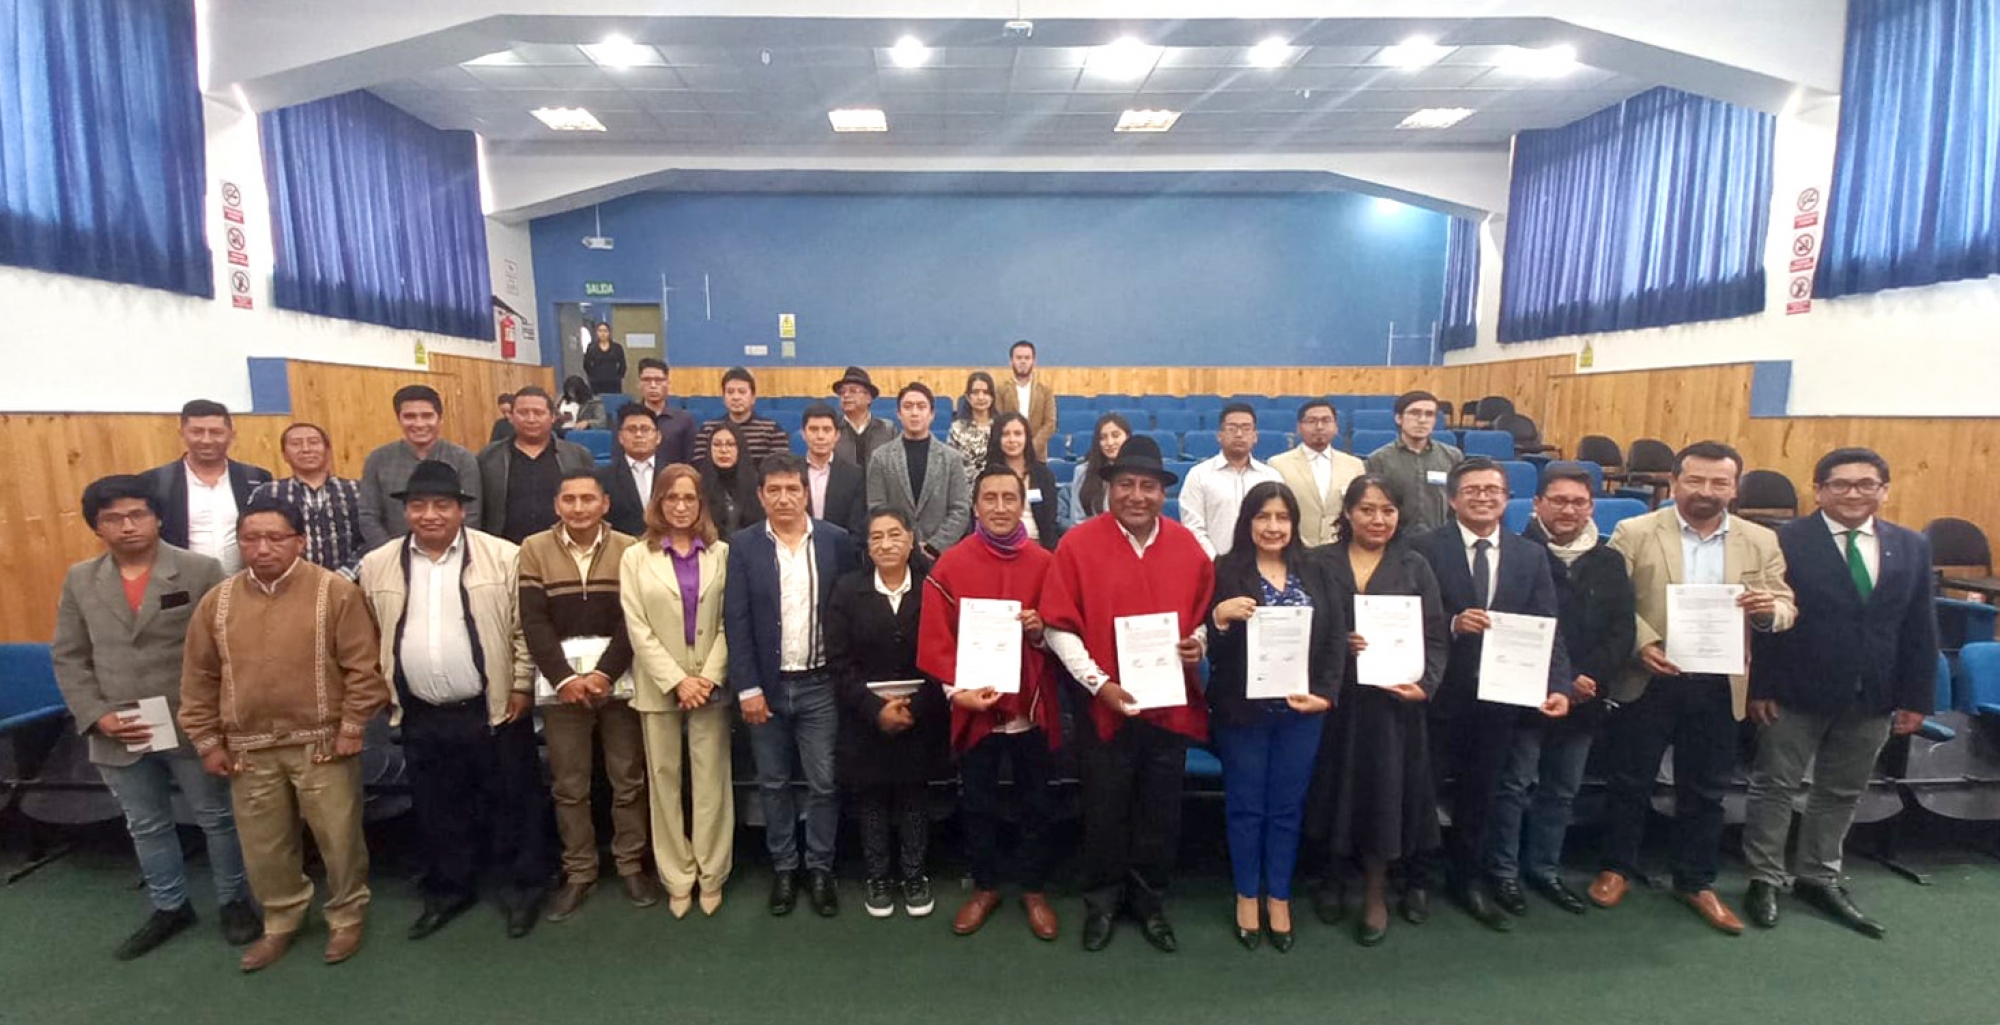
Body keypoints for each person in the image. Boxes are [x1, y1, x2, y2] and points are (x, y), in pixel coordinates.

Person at [1590, 441, 1796, 935]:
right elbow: (1611, 602)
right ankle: (1616, 868)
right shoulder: (1635, 531)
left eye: (1719, 482)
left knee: (1706, 789)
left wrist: (1768, 613)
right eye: (1696, 480)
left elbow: (1786, 604)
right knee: (1630, 781)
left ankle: (1696, 880)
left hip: (1720, 683)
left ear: (1735, 488)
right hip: (1649, 676)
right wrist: (1642, 643)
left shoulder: (1760, 540)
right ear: (1674, 482)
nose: (1707, 491)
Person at [180, 494, 391, 972]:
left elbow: (364, 667)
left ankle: (346, 915)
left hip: (324, 743)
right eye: (251, 539)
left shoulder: (335, 592)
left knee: (339, 838)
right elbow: (198, 677)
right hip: (248, 748)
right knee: (264, 845)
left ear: (301, 541)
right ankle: (280, 920)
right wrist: (207, 741)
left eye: (275, 538)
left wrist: (352, 726)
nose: (262, 549)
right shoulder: (218, 602)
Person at [51, 475, 254, 961]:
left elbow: (229, 648)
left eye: (137, 514)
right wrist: (97, 715)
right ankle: (170, 906)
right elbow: (69, 655)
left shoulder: (199, 570)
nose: (127, 526)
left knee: (218, 819)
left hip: (192, 721)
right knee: (145, 824)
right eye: (113, 519)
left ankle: (234, 902)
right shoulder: (81, 579)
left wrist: (216, 719)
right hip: (118, 726)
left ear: (158, 517)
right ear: (97, 527)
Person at [1741, 448, 1937, 938]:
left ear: (1884, 491)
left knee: (1842, 790)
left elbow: (1919, 625)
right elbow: (1766, 618)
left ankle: (1818, 876)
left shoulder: (1911, 545)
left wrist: (1916, 696)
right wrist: (1760, 686)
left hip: (1874, 692)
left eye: (1866, 484)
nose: (1853, 493)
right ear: (1819, 490)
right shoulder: (1786, 540)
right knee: (1774, 786)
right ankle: (1764, 877)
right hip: (1794, 689)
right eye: (1841, 484)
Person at [356, 461, 552, 941]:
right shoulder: (377, 564)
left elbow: (523, 628)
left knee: (513, 801)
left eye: (442, 505)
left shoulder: (503, 556)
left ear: (462, 510)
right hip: (421, 710)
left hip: (494, 706)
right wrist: (381, 687)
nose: (430, 515)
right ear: (405, 511)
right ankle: (448, 890)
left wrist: (521, 685)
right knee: (437, 807)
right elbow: (369, 634)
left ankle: (522, 891)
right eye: (418, 505)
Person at [1041, 435, 1214, 954]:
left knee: (1161, 811)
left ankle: (1149, 902)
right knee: (1105, 808)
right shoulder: (1077, 545)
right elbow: (1057, 626)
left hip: (1168, 706)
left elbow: (1203, 616)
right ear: (1109, 488)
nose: (1137, 495)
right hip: (1104, 706)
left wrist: (1198, 643)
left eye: (1148, 486)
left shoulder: (1187, 547)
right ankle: (1102, 902)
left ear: (1163, 493)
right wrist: (1100, 684)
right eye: (1126, 484)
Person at [1412, 458, 1573, 933]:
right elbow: (1405, 615)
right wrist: (1452, 623)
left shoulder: (1530, 555)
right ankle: (1415, 878)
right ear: (1453, 498)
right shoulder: (1424, 548)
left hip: (1502, 697)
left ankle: (1467, 880)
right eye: (1473, 490)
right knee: (1423, 790)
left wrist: (1558, 685)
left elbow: (1548, 626)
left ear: (1507, 498)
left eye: (1493, 490)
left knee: (1480, 794)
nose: (1483, 497)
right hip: (1438, 693)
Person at [918, 465, 1064, 940]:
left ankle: (1033, 887)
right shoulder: (951, 565)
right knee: (978, 801)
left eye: (1009, 498)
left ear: (1022, 504)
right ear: (975, 506)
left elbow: (1066, 634)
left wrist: (1040, 631)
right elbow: (937, 637)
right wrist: (957, 693)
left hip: (1029, 707)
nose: (1000, 507)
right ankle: (985, 886)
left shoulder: (1046, 563)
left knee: (1037, 801)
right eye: (990, 498)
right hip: (974, 705)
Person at [1486, 463, 1634, 916]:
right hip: (1525, 690)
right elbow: (1510, 623)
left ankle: (1544, 869)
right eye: (1559, 501)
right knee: (1513, 786)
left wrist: (1587, 678)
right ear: (1537, 504)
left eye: (1579, 502)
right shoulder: (1516, 553)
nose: (1569, 510)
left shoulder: (1609, 561)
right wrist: (1556, 679)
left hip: (1585, 695)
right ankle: (1503, 871)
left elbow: (1622, 630)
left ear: (1592, 508)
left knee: (1561, 790)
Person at [1309, 475, 1449, 947]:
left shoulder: (1415, 565)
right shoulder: (1319, 562)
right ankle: (1331, 877)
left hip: (1393, 708)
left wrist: (1424, 685)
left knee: (1383, 795)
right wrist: (1335, 641)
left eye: (1387, 510)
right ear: (1348, 513)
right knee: (1333, 789)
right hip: (1335, 700)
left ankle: (1375, 891)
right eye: (1367, 509)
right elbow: (1302, 626)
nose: (1378, 519)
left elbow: (1435, 636)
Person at [724, 454, 862, 918]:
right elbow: (736, 620)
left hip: (821, 684)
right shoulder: (742, 546)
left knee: (824, 782)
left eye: (792, 489)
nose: (784, 498)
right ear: (760, 496)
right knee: (773, 782)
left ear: (806, 493)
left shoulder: (835, 540)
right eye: (774, 490)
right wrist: (747, 688)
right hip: (765, 686)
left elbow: (848, 611)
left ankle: (820, 867)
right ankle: (784, 867)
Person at [1205, 481, 1340, 952]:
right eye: (1263, 516)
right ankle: (1247, 894)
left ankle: (1278, 895)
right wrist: (1219, 618)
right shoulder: (1225, 570)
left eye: (1283, 517)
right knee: (1246, 806)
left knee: (1287, 807)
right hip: (1243, 712)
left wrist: (1326, 696)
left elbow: (1334, 639)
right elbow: (1210, 648)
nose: (1273, 526)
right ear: (1248, 522)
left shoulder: (1316, 569)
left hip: (1302, 712)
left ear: (1294, 524)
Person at [519, 472, 659, 922]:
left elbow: (634, 618)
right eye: (570, 500)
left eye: (587, 499)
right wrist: (564, 678)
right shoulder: (534, 549)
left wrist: (603, 673)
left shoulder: (630, 549)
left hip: (618, 681)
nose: (579, 508)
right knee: (569, 785)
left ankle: (631, 864)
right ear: (557, 505)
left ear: (605, 504)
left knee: (628, 777)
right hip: (561, 686)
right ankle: (579, 870)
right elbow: (533, 621)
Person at [622, 463, 736, 917]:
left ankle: (712, 873)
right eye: (672, 497)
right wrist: (676, 680)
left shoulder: (721, 553)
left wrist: (707, 676)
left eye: (689, 498)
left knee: (711, 781)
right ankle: (677, 875)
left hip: (709, 682)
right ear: (659, 503)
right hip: (660, 683)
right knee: (663, 780)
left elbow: (730, 619)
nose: (681, 506)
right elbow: (637, 626)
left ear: (701, 503)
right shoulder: (635, 557)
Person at [828, 507, 950, 919]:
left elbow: (945, 653)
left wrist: (916, 707)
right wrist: (874, 710)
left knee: (915, 794)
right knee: (872, 796)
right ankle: (878, 876)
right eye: (877, 536)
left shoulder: (933, 588)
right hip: (865, 716)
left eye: (895, 534)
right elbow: (838, 661)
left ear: (911, 539)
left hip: (922, 713)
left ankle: (914, 875)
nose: (886, 544)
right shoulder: (847, 590)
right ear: (866, 545)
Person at [140, 399, 273, 574]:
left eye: (216, 432)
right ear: (182, 433)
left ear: (231, 434)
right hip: (181, 583)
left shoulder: (256, 479)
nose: (206, 440)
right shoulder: (155, 482)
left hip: (246, 582)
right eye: (197, 432)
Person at [359, 384, 483, 546]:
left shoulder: (463, 459)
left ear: (440, 418)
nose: (419, 424)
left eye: (427, 416)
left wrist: (449, 553)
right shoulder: (377, 459)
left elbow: (471, 515)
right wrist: (393, 554)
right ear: (399, 419)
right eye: (410, 416)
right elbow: (368, 516)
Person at [865, 382, 970, 561]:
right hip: (895, 553)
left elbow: (960, 509)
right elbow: (876, 507)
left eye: (921, 407)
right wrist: (903, 543)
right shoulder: (880, 458)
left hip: (939, 556)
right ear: (899, 414)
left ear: (932, 414)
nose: (914, 413)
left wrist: (934, 546)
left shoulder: (952, 458)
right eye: (908, 407)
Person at [478, 386, 597, 544]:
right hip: (505, 548)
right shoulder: (489, 457)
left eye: (538, 413)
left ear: (553, 417)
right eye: (523, 413)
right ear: (511, 417)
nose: (531, 419)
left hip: (565, 547)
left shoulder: (578, 456)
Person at [251, 422, 365, 578]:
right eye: (296, 444)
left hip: (350, 582)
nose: (306, 449)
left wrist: (344, 575)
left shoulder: (356, 490)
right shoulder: (267, 492)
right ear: (284, 455)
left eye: (313, 442)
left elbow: (370, 539)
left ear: (328, 451)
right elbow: (255, 539)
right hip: (287, 583)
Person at [1177, 403, 1283, 558]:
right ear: (1219, 435)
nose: (1239, 434)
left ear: (1255, 436)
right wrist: (1216, 562)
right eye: (1232, 428)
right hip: (1213, 564)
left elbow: (1280, 522)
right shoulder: (1199, 475)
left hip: (1263, 563)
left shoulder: (1271, 477)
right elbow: (1192, 527)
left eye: (1246, 429)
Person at [1268, 399, 1365, 547]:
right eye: (1312, 421)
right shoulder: (1278, 465)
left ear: (1336, 427)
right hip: (1295, 549)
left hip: (1340, 550)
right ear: (1299, 427)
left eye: (1326, 420)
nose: (1319, 426)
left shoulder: (1354, 466)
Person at [1363, 391, 1461, 535]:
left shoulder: (1452, 457)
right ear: (1399, 418)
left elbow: (1458, 501)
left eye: (1429, 414)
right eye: (1415, 413)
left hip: (1439, 538)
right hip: (1395, 538)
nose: (1422, 420)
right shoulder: (1378, 459)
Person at [692, 366, 790, 468]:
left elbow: (780, 468)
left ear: (753, 397)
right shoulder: (708, 429)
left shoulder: (772, 430)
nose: (736, 397)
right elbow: (699, 466)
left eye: (742, 392)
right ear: (723, 398)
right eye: (730, 392)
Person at [987, 412, 1060, 548]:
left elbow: (1050, 522)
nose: (1012, 440)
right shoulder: (988, 476)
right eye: (1005, 434)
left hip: (1036, 544)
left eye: (1018, 434)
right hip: (998, 546)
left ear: (1027, 438)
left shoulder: (1043, 475)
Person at [801, 401, 866, 536]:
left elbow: (856, 527)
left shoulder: (854, 475)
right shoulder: (792, 472)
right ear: (803, 434)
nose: (820, 436)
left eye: (827, 430)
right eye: (813, 429)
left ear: (837, 435)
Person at [601, 404, 663, 537]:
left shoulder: (672, 474)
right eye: (631, 429)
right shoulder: (603, 477)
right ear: (620, 437)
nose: (638, 435)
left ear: (658, 437)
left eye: (645, 429)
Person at [994, 339, 1057, 461]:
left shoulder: (1045, 391)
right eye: (1019, 358)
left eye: (1027, 358)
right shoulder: (1001, 390)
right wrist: (1014, 444)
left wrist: (1031, 447)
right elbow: (998, 421)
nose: (1023, 361)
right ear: (1011, 361)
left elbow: (1050, 423)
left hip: (1037, 456)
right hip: (1007, 455)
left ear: (1034, 361)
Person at [1066, 413, 1131, 528]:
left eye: (1115, 435)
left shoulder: (1139, 472)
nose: (1110, 442)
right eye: (1103, 438)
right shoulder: (1083, 472)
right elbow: (1077, 520)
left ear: (1127, 437)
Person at [700, 420, 764, 536]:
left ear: (740, 448)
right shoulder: (698, 485)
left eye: (730, 444)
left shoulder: (756, 485)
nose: (723, 450)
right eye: (717, 445)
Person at [634, 358, 698, 466]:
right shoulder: (627, 420)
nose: (653, 385)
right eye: (647, 380)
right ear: (639, 383)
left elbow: (690, 463)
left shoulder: (684, 421)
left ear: (668, 383)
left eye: (659, 380)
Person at [831, 365, 897, 469]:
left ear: (869, 398)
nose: (846, 395)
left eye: (853, 391)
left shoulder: (887, 430)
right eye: (842, 392)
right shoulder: (832, 430)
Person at [947, 371, 998, 487]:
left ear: (992, 397)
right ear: (967, 397)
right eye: (975, 392)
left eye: (986, 392)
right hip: (963, 489)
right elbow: (951, 465)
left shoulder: (1001, 427)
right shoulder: (956, 429)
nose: (981, 397)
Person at [583, 321, 627, 396]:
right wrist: (592, 377)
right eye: (600, 331)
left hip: (613, 382)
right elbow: (586, 364)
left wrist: (618, 377)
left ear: (609, 332)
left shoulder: (617, 347)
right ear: (597, 333)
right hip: (596, 382)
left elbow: (623, 364)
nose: (602, 333)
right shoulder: (591, 347)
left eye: (605, 331)